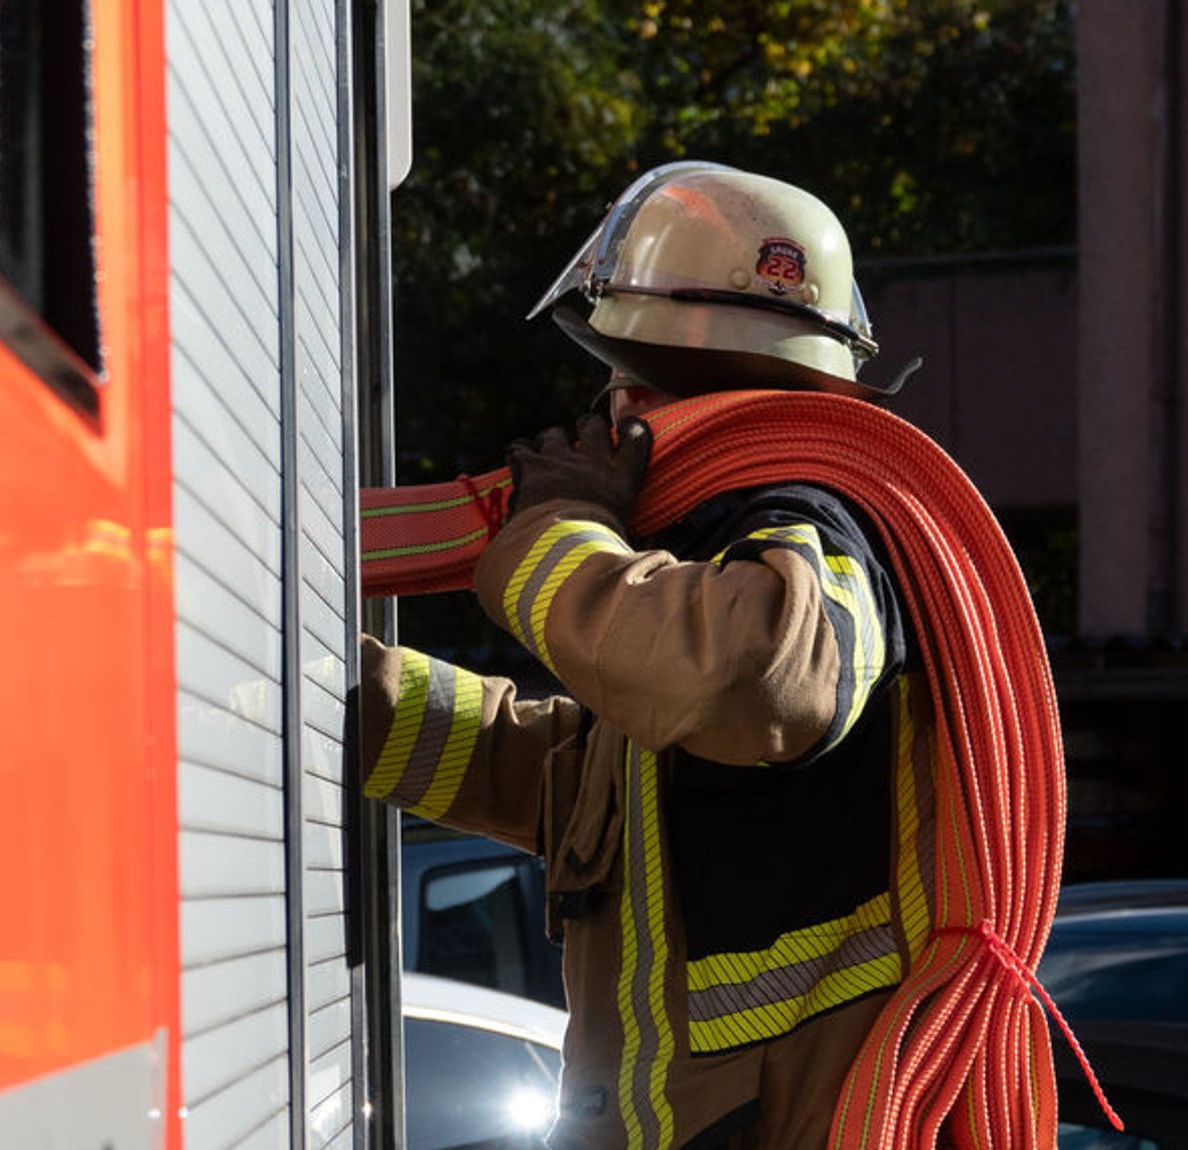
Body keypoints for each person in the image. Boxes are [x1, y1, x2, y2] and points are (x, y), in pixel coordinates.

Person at [356, 162, 933, 1149]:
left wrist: (553, 530)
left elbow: (748, 678)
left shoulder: (816, 533)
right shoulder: (706, 584)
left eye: (619, 376)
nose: (603, 409)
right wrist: (319, 694)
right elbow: (562, 773)